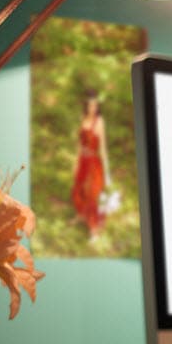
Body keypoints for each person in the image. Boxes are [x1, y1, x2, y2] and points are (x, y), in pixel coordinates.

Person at [70, 89, 110, 239]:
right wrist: (76, 162)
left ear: (97, 106)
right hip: (82, 160)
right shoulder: (83, 118)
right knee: (79, 188)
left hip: (93, 161)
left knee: (93, 193)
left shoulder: (99, 122)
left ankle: (94, 229)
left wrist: (106, 170)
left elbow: (103, 148)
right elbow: (80, 144)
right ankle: (81, 215)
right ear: (86, 105)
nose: (92, 108)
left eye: (95, 106)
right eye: (89, 105)